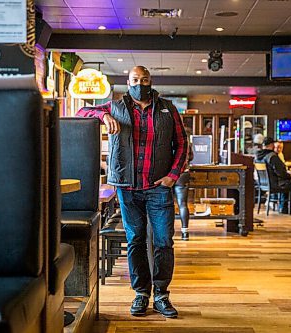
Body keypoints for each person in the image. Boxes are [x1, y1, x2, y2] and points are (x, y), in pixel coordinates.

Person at [76, 66, 188, 318]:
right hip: (127, 187)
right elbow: (81, 112)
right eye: (135, 80)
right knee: (135, 240)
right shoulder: (114, 107)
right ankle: (141, 294)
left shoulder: (168, 109)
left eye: (144, 79)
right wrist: (103, 117)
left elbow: (182, 144)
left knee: (163, 242)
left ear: (151, 81)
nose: (140, 83)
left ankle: (161, 294)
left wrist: (173, 176)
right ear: (128, 82)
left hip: (159, 187)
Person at [255, 137, 291, 214]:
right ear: (271, 145)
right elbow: (281, 172)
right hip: (276, 184)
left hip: (263, 184)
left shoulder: (257, 157)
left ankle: (283, 208)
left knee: (289, 182)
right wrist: (289, 177)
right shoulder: (272, 156)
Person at [173, 143, 193, 241]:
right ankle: (185, 232)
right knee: (183, 204)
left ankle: (168, 232)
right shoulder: (186, 142)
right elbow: (191, 157)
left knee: (167, 204)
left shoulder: (166, 140)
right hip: (183, 173)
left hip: (168, 174)